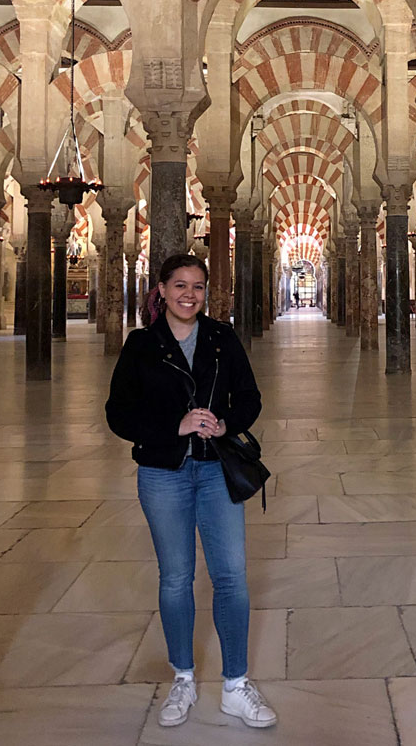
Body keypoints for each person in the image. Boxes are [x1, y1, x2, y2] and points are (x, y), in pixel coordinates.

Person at [106, 253, 277, 730]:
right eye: (179, 285)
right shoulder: (141, 345)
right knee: (176, 577)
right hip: (163, 472)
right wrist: (173, 426)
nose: (189, 294)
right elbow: (118, 414)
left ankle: (235, 686)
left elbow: (250, 397)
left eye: (198, 286)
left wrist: (226, 422)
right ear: (160, 289)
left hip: (216, 470)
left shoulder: (222, 339)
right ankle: (183, 677)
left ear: (206, 293)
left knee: (231, 577)